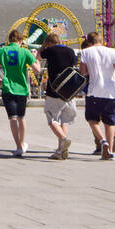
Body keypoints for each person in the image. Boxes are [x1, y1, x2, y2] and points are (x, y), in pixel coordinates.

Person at [79, 31, 115, 160]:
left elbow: (83, 73)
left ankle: (102, 141)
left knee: (92, 120)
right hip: (111, 92)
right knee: (109, 123)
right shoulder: (112, 52)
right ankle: (110, 151)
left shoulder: (85, 52)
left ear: (89, 42)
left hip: (94, 91)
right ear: (102, 41)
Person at [0, 29, 39, 157]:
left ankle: (18, 147)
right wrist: (35, 58)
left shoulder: (1, 51)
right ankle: (23, 143)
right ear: (20, 41)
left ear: (9, 40)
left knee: (12, 118)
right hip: (22, 89)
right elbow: (37, 70)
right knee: (21, 117)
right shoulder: (24, 52)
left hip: (7, 87)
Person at [37, 32, 78, 160]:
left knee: (52, 119)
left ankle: (63, 139)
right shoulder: (71, 51)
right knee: (63, 120)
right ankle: (61, 150)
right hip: (68, 91)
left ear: (49, 42)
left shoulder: (49, 50)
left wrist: (43, 47)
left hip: (54, 90)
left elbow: (37, 57)